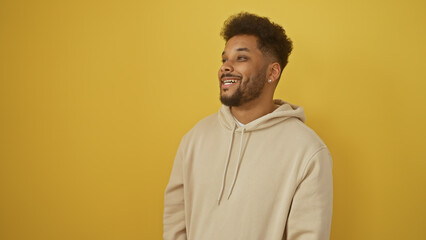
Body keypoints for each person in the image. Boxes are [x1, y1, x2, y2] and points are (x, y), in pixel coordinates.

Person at [163, 12, 333, 240]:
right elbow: (175, 224)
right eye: (224, 59)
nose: (225, 67)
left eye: (240, 58)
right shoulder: (195, 139)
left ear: (272, 72)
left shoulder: (307, 151)